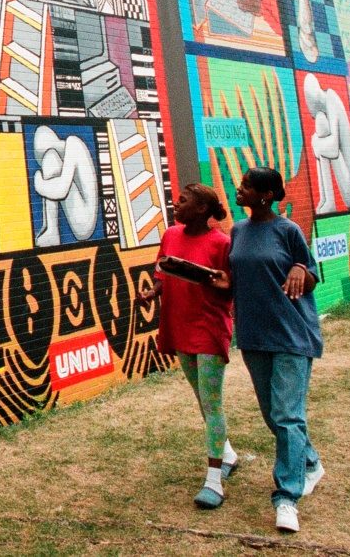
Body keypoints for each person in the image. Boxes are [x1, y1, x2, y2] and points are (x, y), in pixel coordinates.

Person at [230, 167, 326, 534]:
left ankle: (286, 497)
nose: (239, 189)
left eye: (247, 185)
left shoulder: (288, 231)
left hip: (291, 335)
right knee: (274, 415)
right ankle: (311, 463)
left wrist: (302, 269)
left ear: (266, 195)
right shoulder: (237, 231)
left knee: (287, 415)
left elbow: (311, 275)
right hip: (253, 336)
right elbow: (235, 278)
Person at [140, 183, 239, 509]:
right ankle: (227, 454)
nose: (175, 204)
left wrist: (223, 283)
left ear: (201, 209)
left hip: (209, 328)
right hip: (180, 324)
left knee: (212, 402)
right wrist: (152, 292)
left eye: (182, 201)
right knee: (201, 396)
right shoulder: (170, 235)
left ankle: (214, 482)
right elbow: (163, 271)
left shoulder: (222, 243)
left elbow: (232, 287)